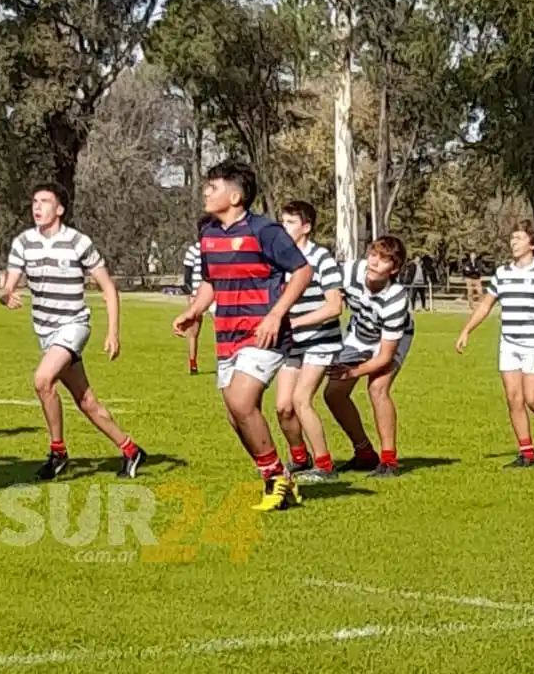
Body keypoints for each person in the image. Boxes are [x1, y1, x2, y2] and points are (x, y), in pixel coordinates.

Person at [171, 160, 312, 511]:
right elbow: (210, 282)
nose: (206, 191)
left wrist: (276, 315)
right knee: (235, 415)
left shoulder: (265, 230)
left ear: (235, 196)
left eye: (213, 187)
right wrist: (194, 311)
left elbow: (302, 271)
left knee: (241, 402)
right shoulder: (209, 235)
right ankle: (278, 477)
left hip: (264, 332)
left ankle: (275, 480)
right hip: (226, 334)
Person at [1, 184, 145, 480]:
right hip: (45, 331)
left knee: (42, 380)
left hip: (74, 325)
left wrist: (113, 332)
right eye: (34, 202)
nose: (37, 207)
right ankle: (131, 449)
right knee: (86, 402)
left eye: (45, 202)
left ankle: (58, 452)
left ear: (60, 209)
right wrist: (6, 295)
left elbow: (108, 287)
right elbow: (8, 284)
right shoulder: (23, 242)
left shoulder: (78, 242)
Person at [455, 221, 534, 469]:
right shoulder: (502, 273)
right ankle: (527, 453)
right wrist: (467, 330)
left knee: (533, 398)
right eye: (512, 238)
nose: (514, 242)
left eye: (519, 238)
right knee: (513, 397)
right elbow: (486, 305)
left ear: (531, 244)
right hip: (509, 342)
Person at [323, 238, 414, 477]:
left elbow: (384, 357)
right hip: (359, 332)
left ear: (394, 269)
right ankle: (364, 454)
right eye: (373, 254)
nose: (374, 262)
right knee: (333, 394)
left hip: (391, 340)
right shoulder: (351, 270)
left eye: (384, 260)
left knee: (377, 388)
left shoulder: (396, 298)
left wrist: (352, 371)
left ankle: (389, 461)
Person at [274, 199, 345, 482]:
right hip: (293, 341)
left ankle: (325, 467)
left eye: (290, 222)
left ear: (306, 227)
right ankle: (299, 459)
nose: (283, 227)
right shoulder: (279, 258)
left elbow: (334, 306)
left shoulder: (321, 258)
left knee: (302, 400)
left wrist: (296, 322)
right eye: (282, 221)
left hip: (321, 339)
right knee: (283, 406)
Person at [181, 224, 205, 375]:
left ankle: (225, 362)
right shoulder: (193, 250)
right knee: (194, 332)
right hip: (197, 296)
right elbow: (187, 277)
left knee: (221, 330)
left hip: (216, 295)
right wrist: (190, 295)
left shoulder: (216, 248)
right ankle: (193, 363)